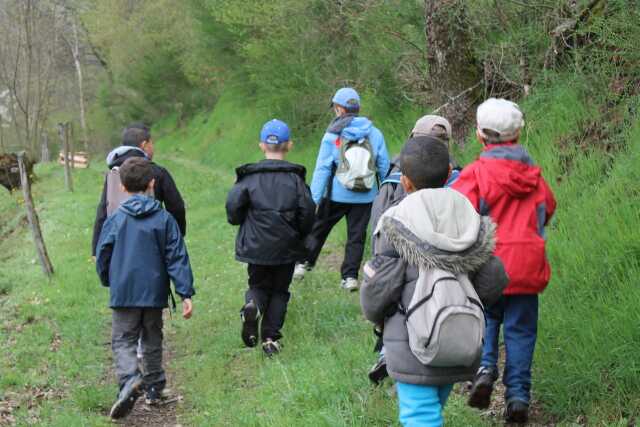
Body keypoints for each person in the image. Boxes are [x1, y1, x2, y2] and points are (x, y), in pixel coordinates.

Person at [360, 136, 504, 427]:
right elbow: (495, 277)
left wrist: (376, 318)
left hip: (411, 339)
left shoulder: (395, 221)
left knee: (420, 417)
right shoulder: (468, 216)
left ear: (405, 182)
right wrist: (466, 303)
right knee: (431, 409)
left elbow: (380, 286)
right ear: (450, 170)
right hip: (459, 336)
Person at [452, 98, 556, 423]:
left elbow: (457, 211)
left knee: (486, 318)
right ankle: (518, 396)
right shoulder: (533, 175)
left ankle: (484, 369)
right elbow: (548, 207)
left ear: (481, 135)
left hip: (487, 265)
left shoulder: (476, 173)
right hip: (527, 264)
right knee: (521, 331)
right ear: (517, 135)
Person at [95, 157, 195, 419]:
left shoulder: (115, 220)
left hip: (124, 292)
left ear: (123, 188)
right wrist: (185, 292)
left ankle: (129, 379)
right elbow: (177, 256)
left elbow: (103, 253)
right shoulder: (164, 219)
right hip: (153, 293)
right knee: (152, 339)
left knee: (123, 339)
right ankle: (153, 389)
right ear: (152, 183)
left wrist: (108, 279)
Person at [367, 115, 459, 386]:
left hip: (401, 266)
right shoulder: (457, 179)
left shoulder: (395, 179)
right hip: (447, 269)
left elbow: (379, 226)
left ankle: (388, 352)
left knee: (399, 310)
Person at [226, 119, 315, 356]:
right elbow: (308, 213)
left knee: (257, 285)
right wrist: (301, 234)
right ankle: (270, 339)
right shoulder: (295, 180)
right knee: (279, 291)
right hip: (286, 247)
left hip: (256, 247)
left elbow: (233, 212)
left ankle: (252, 305)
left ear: (261, 145)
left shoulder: (249, 178)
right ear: (289, 145)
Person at [294, 87, 390, 291]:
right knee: (356, 236)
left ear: (339, 109)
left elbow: (322, 168)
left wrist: (314, 199)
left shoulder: (333, 134)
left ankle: (303, 263)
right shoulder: (374, 133)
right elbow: (383, 164)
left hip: (336, 195)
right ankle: (350, 278)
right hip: (365, 196)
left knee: (319, 228)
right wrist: (385, 191)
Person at [92, 123, 186, 258]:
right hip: (152, 245)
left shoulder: (113, 174)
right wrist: (177, 237)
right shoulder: (158, 172)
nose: (153, 148)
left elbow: (103, 211)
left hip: (119, 247)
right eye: (151, 143)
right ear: (144, 145)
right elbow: (176, 207)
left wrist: (96, 248)